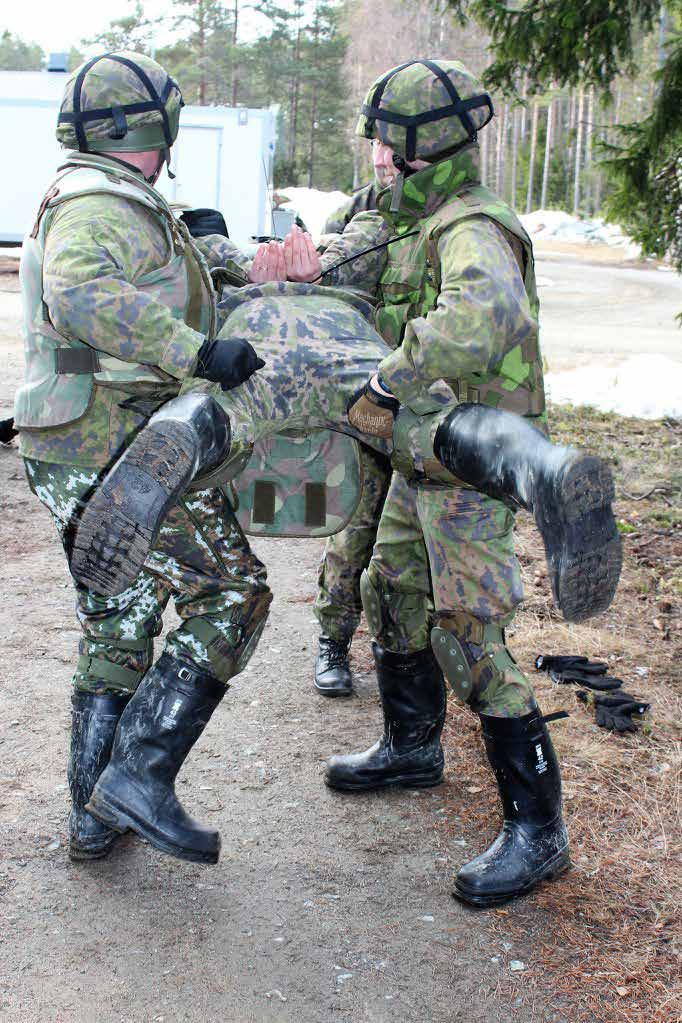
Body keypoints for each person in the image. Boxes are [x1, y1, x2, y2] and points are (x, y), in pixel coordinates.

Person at [12, 51, 286, 864]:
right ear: (153, 126)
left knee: (121, 621)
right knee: (232, 594)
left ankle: (97, 818)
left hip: (83, 437)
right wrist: (198, 350)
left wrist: (217, 253)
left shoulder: (114, 194)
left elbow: (153, 270)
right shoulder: (99, 204)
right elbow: (85, 292)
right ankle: (138, 775)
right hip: (118, 443)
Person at [312, 159, 394, 697]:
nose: (383, 158)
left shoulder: (446, 215)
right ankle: (333, 640)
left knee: (413, 540)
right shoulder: (354, 214)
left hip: (428, 397)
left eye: (395, 145)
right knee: (355, 525)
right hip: (364, 396)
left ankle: (404, 654)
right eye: (377, 144)